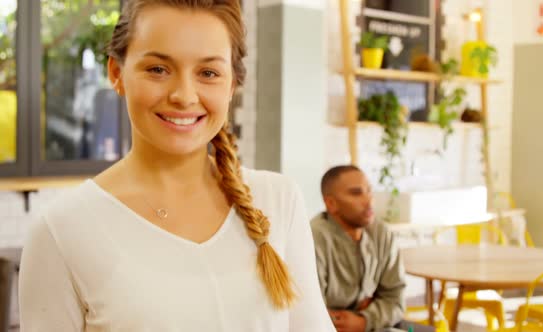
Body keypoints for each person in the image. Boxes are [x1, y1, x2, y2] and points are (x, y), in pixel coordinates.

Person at [18, 1, 334, 331]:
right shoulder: (62, 231)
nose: (184, 95)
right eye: (158, 69)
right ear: (116, 73)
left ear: (233, 85)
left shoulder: (278, 200)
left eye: (208, 73)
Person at [311, 165, 433, 332]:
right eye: (356, 193)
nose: (368, 200)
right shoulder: (314, 239)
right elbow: (312, 315)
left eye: (369, 191)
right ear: (331, 203)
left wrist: (363, 320)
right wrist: (369, 306)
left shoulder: (381, 233)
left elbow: (395, 299)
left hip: (373, 324)